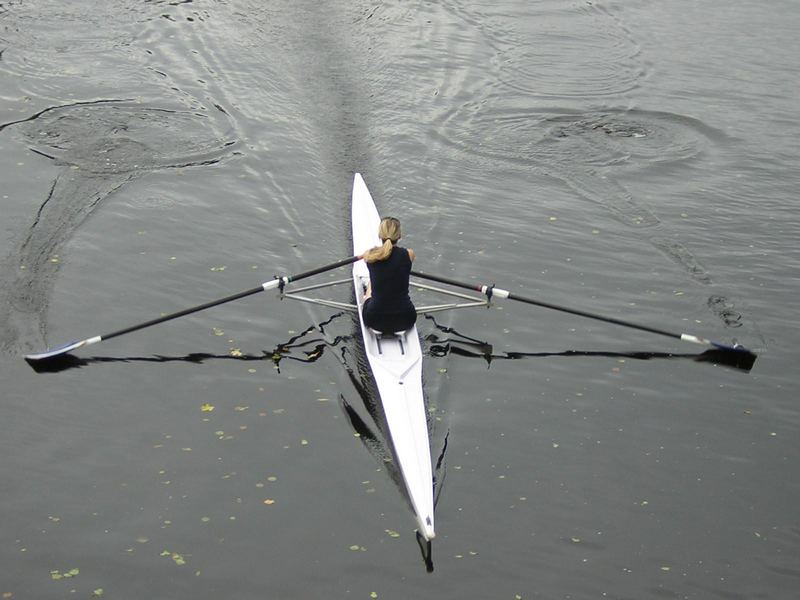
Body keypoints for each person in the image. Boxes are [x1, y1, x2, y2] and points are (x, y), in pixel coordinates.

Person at [360, 217, 417, 334]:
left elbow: (376, 256)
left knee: (372, 283)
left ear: (380, 235)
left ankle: (368, 292)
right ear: (399, 236)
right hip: (407, 318)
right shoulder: (409, 254)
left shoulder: (369, 255)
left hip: (374, 319)